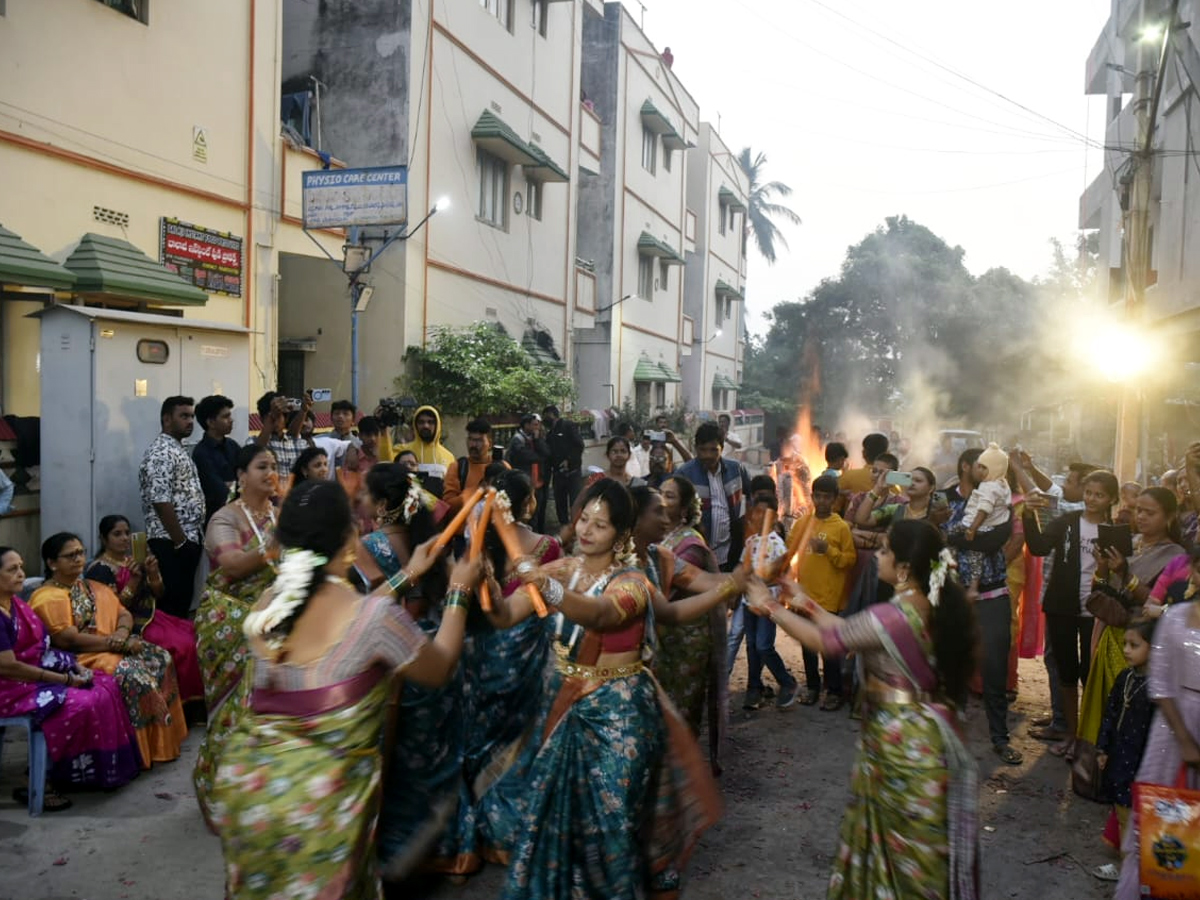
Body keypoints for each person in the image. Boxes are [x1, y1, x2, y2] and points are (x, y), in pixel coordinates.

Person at [208, 480, 482, 899]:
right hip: (319, 811)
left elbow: (344, 616)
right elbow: (439, 665)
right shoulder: (375, 619)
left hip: (251, 793)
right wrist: (460, 588)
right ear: (351, 536)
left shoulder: (267, 604)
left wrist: (410, 574)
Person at [487, 479, 723, 900]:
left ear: (622, 534)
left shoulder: (631, 581)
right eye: (584, 520)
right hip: (563, 708)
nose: (586, 530)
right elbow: (505, 615)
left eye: (601, 524)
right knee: (564, 823)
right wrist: (480, 583)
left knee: (611, 826)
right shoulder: (560, 570)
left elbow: (599, 614)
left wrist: (545, 587)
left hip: (622, 720)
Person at [744, 519, 979, 900]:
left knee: (905, 855)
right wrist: (802, 600)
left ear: (904, 567)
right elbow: (853, 629)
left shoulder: (895, 615)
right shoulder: (922, 603)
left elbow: (829, 641)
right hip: (920, 737)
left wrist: (769, 606)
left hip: (903, 745)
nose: (877, 557)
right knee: (909, 849)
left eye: (885, 550)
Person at [435, 469, 564, 874]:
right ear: (528, 504)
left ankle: (471, 840)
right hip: (526, 666)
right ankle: (506, 835)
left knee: (477, 743)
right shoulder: (548, 547)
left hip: (480, 662)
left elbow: (457, 604)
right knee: (520, 746)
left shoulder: (475, 551)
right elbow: (552, 609)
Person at [354, 463, 463, 881]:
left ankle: (392, 858)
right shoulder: (432, 545)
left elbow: (363, 612)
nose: (360, 502)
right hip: (437, 651)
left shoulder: (368, 546)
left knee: (392, 761)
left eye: (366, 495)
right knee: (434, 756)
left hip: (394, 661)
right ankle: (442, 851)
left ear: (382, 505)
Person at [31, 533, 188, 769]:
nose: (78, 559)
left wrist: (122, 633)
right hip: (80, 656)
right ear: (52, 563)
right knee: (133, 674)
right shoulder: (47, 597)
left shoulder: (90, 586)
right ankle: (138, 752)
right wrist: (117, 645)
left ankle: (163, 744)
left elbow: (122, 612)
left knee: (159, 657)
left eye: (81, 552)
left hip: (109, 645)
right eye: (70, 555)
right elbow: (67, 640)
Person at [0, 546, 141, 808]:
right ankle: (40, 777)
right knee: (80, 703)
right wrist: (62, 679)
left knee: (104, 685)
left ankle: (82, 771)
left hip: (28, 675)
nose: (21, 574)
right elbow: (8, 666)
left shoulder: (15, 604)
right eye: (12, 569)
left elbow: (39, 648)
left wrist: (71, 667)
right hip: (9, 688)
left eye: (20, 566)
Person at [193, 444, 281, 827]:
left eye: (275, 466)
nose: (271, 472)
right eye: (262, 466)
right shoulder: (224, 518)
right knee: (235, 711)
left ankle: (259, 791)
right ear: (241, 476)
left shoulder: (278, 515)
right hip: (228, 620)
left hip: (271, 620)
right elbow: (231, 565)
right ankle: (218, 793)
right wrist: (277, 547)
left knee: (270, 710)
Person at [1078, 487, 1184, 759]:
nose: (1142, 517)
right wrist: (1103, 568)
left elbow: (1160, 605)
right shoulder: (1129, 542)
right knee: (1105, 704)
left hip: (1142, 641)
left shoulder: (1175, 556)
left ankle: (1121, 773)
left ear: (1169, 516)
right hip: (1111, 633)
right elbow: (1103, 589)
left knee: (1128, 710)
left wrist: (1126, 573)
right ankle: (1094, 767)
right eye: (1139, 510)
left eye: (1150, 512)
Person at [1022, 468, 1119, 758]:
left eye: (1099, 495)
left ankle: (1089, 739)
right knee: (1065, 671)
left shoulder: (1116, 530)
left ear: (1111, 499)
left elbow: (1122, 570)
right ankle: (1071, 734)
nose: (1091, 499)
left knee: (1090, 674)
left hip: (1097, 611)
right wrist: (1028, 515)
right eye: (1088, 492)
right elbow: (1038, 547)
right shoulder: (1066, 521)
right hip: (1061, 606)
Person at [1113, 599, 1200, 899]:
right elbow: (1160, 685)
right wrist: (1185, 740)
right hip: (1170, 733)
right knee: (1159, 819)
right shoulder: (1175, 618)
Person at [944, 448, 1021, 765]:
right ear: (969, 468)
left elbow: (991, 541)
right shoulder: (954, 502)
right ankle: (951, 739)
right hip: (961, 597)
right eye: (980, 466)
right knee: (955, 671)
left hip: (993, 597)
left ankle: (1000, 739)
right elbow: (948, 534)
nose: (983, 470)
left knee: (994, 672)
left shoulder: (1001, 503)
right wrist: (962, 537)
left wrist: (962, 538)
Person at [86, 515, 204, 707]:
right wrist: (133, 580)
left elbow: (158, 594)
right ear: (103, 538)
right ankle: (184, 706)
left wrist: (153, 574)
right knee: (183, 646)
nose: (124, 538)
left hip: (152, 617)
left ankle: (200, 700)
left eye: (127, 533)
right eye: (117, 534)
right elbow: (111, 610)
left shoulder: (133, 560)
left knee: (196, 633)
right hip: (128, 626)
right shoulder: (100, 570)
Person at [655, 476, 729, 762]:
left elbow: (670, 586)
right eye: (660, 493)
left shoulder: (690, 544)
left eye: (670, 496)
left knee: (682, 708)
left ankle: (683, 770)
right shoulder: (657, 537)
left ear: (685, 508)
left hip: (687, 639)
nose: (662, 500)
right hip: (663, 634)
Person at [1090, 618, 1156, 881]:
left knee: (1136, 819)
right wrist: (1102, 748)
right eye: (1125, 644)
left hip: (1142, 762)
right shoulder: (1125, 677)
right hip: (1119, 757)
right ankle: (1127, 868)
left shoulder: (1155, 688)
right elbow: (1110, 714)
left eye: (1134, 645)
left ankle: (1132, 872)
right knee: (1121, 812)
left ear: (1154, 648)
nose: (1127, 650)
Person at [791, 474, 857, 709]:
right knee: (808, 646)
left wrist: (828, 550)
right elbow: (789, 550)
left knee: (829, 649)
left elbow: (849, 560)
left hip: (829, 597)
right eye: (817, 496)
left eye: (827, 497)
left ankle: (834, 692)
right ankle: (812, 687)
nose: (822, 501)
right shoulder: (802, 523)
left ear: (835, 499)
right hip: (804, 596)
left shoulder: (840, 528)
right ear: (812, 497)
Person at [138, 395, 206, 618]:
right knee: (172, 606)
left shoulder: (177, 449)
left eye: (192, 416)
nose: (190, 421)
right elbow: (160, 500)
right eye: (184, 416)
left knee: (183, 601)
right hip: (170, 542)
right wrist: (181, 542)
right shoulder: (160, 453)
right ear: (167, 420)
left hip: (185, 538)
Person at [737, 491, 801, 710]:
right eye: (758, 512)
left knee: (764, 645)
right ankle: (754, 688)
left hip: (767, 604)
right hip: (748, 603)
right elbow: (742, 569)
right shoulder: (751, 541)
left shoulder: (777, 543)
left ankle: (787, 682)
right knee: (752, 646)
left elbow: (785, 572)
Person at [675, 421, 752, 572]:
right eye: (703, 450)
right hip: (696, 555)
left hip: (730, 553)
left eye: (713, 450)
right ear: (696, 448)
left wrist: (747, 523)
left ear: (722, 449)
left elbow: (752, 494)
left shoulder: (736, 469)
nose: (708, 455)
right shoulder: (684, 474)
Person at [953, 444, 1013, 588]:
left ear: (994, 469)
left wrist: (972, 528)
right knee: (975, 554)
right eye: (978, 466)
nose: (979, 470)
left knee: (952, 535)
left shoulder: (989, 487)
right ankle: (973, 584)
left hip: (977, 526)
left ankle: (956, 567)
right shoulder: (1002, 484)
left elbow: (984, 509)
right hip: (988, 527)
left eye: (983, 467)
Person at [191, 394, 241, 526]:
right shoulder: (201, 453)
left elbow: (248, 478)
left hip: (239, 515)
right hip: (217, 519)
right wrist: (238, 486)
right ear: (211, 422)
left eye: (230, 415)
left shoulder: (233, 445)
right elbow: (219, 492)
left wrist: (234, 485)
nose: (231, 420)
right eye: (225, 417)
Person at [392, 404, 456, 498]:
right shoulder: (402, 451)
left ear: (437, 425)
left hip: (439, 510)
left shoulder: (449, 457)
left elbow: (451, 490)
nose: (426, 426)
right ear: (415, 425)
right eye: (421, 422)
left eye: (430, 422)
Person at [442, 418, 500, 519]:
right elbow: (447, 507)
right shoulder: (457, 467)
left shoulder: (502, 467)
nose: (473, 445)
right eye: (470, 439)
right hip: (463, 533)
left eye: (479, 440)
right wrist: (476, 491)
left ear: (489, 443)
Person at [506, 413, 551, 530]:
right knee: (527, 515)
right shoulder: (518, 440)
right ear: (526, 425)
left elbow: (546, 453)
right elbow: (530, 457)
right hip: (524, 483)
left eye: (538, 425)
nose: (537, 428)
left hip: (538, 482)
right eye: (534, 425)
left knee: (539, 513)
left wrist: (537, 440)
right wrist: (541, 456)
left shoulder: (535, 438)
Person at [254, 391, 310, 475]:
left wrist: (304, 410)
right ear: (262, 420)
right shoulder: (253, 442)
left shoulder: (300, 444)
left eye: (278, 417)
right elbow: (254, 455)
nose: (275, 422)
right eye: (271, 418)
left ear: (286, 419)